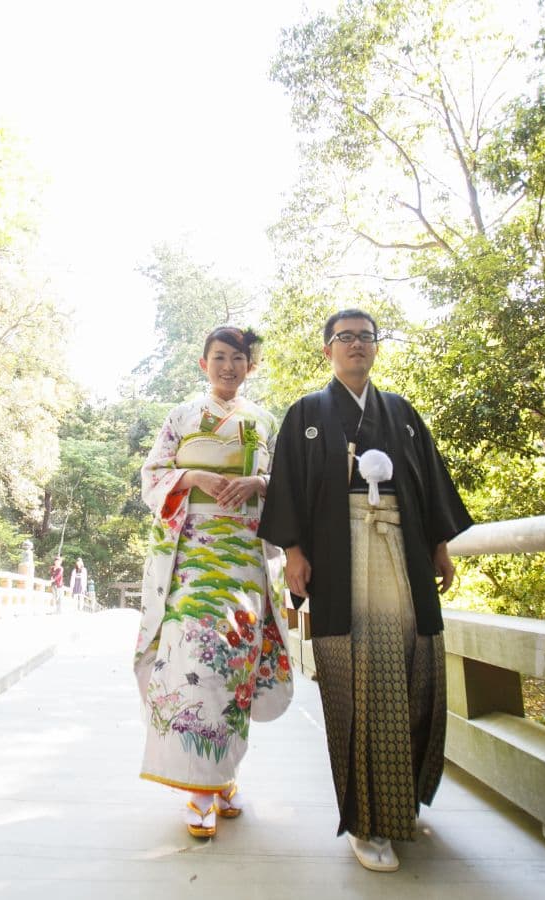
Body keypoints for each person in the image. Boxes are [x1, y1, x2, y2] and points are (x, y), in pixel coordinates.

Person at [258, 308, 472, 872]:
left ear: (376, 348)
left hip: (401, 549)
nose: (355, 345)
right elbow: (289, 490)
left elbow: (427, 483)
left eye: (365, 337)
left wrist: (440, 545)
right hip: (339, 558)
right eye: (344, 337)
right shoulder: (306, 412)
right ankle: (367, 821)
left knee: (414, 670)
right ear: (327, 350)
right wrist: (295, 553)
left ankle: (399, 801)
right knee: (360, 680)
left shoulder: (400, 412)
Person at [134, 326, 293, 840]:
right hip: (190, 560)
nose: (229, 366)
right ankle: (199, 789)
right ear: (203, 363)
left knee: (233, 668)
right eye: (219, 357)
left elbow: (289, 485)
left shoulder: (265, 420)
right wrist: (194, 478)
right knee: (192, 664)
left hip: (243, 560)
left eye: (238, 358)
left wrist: (259, 483)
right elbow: (153, 473)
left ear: (251, 366)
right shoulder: (181, 416)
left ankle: (222, 777)